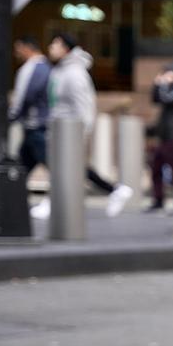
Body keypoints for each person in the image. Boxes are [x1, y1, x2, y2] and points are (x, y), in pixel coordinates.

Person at [34, 33, 133, 219]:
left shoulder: (75, 73)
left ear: (66, 49)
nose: (51, 48)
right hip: (58, 128)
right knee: (67, 166)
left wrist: (82, 132)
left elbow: (85, 106)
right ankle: (115, 190)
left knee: (65, 166)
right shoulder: (60, 70)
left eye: (55, 44)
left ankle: (113, 190)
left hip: (70, 130)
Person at [146, 63, 173, 211]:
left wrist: (163, 84)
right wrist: (157, 85)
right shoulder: (167, 87)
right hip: (163, 133)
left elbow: (167, 99)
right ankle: (158, 199)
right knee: (156, 166)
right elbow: (155, 99)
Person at [10, 36, 51, 180]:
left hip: (36, 125)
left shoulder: (35, 68)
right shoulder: (43, 66)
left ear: (26, 47)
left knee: (52, 163)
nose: (16, 53)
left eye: (18, 48)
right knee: (22, 167)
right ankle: (15, 198)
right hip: (33, 126)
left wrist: (13, 115)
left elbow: (28, 95)